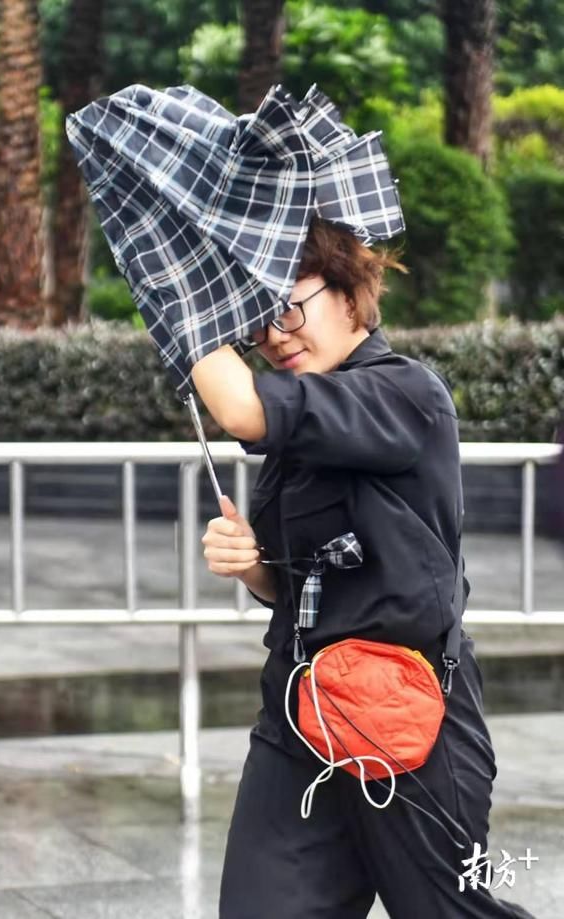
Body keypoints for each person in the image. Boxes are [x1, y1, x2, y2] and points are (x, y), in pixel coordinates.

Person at [192, 217, 535, 919]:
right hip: (301, 717)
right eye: (258, 322)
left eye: (288, 308)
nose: (275, 333)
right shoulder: (302, 427)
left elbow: (237, 405)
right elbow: (294, 583)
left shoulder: (406, 394)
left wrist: (182, 290)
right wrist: (253, 564)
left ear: (349, 292)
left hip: (407, 717)